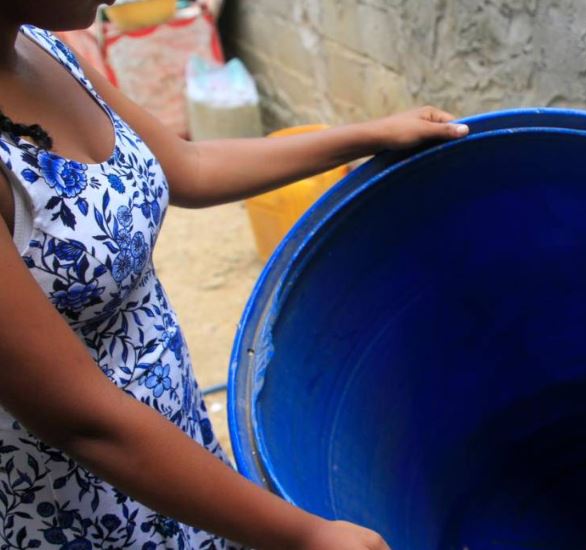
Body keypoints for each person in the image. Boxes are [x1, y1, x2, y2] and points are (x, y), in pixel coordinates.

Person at [0, 2, 469, 548]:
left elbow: (186, 166)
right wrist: (307, 534)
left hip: (172, 450)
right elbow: (82, 420)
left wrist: (367, 135)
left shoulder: (41, 46)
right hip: (73, 500)